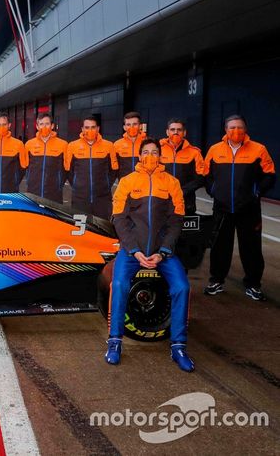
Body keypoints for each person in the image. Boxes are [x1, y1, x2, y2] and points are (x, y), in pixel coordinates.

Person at [106, 138, 193, 372]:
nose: (150, 155)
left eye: (154, 152)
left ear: (161, 155)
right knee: (120, 284)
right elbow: (119, 219)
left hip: (162, 252)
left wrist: (163, 252)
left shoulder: (172, 183)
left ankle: (178, 346)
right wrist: (134, 251)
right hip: (132, 251)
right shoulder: (127, 181)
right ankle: (115, 342)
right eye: (146, 152)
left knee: (182, 287)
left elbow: (176, 221)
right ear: (139, 155)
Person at [203, 115, 276, 301]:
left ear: (246, 130)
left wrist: (256, 192)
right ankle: (216, 281)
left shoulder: (259, 149)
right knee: (220, 246)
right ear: (225, 130)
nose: (236, 131)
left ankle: (253, 284)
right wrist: (214, 191)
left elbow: (270, 175)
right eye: (232, 127)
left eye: (240, 127)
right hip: (222, 208)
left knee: (251, 248)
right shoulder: (214, 150)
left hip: (249, 209)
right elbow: (206, 174)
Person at [64, 116, 118, 219]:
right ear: (82, 129)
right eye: (87, 127)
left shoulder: (109, 146)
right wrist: (77, 185)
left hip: (103, 199)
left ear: (98, 128)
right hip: (80, 199)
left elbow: (114, 170)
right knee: (81, 230)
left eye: (93, 127)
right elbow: (68, 170)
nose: (90, 130)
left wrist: (105, 185)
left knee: (102, 231)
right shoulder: (72, 146)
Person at [159, 118, 205, 215]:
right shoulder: (158, 150)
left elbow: (201, 178)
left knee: (186, 230)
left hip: (186, 201)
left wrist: (182, 191)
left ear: (184, 133)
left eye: (179, 130)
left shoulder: (195, 153)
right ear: (167, 132)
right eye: (172, 130)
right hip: (162, 200)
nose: (176, 132)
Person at [24, 112, 68, 203]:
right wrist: (30, 182)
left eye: (47, 124)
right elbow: (25, 167)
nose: (44, 127)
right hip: (33, 192)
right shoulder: (29, 144)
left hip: (54, 194)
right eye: (41, 124)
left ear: (52, 126)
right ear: (37, 126)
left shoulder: (63, 145)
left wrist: (59, 184)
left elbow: (66, 169)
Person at [113, 111, 146, 178]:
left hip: (144, 185)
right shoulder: (117, 145)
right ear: (124, 127)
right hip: (124, 185)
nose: (132, 127)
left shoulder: (148, 143)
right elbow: (113, 169)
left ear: (140, 126)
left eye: (135, 124)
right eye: (128, 124)